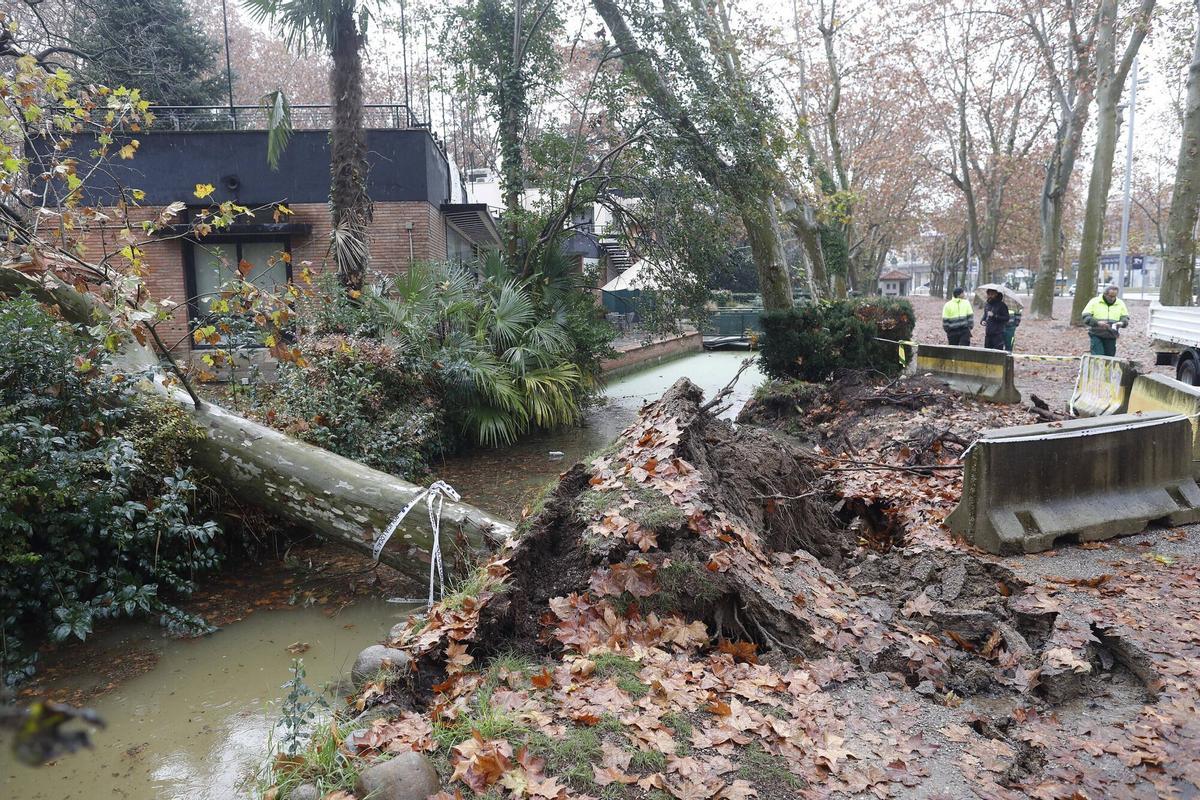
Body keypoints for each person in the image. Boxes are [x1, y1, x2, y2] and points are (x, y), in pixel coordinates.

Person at [1081, 285, 1130, 356]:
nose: (1112, 298)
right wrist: (1097, 323)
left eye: (1114, 296)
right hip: (1096, 334)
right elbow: (1086, 317)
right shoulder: (1094, 302)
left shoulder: (1120, 303)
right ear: (1105, 294)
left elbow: (1125, 317)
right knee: (1098, 357)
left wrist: (1122, 323)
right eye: (1110, 296)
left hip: (1111, 335)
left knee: (1109, 358)